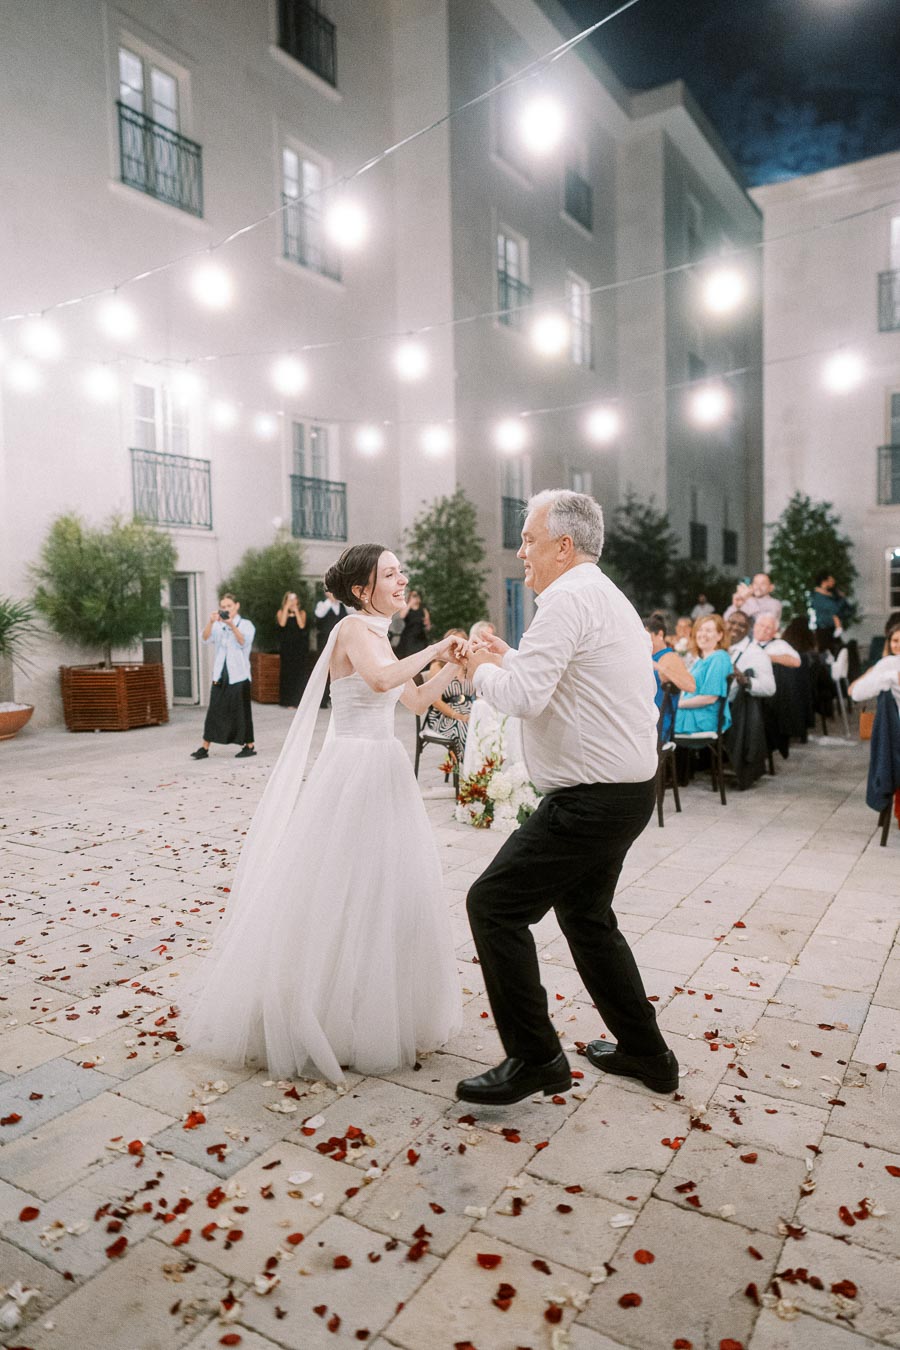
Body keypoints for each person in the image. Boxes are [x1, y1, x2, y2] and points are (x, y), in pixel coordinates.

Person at [185, 544, 465, 1082]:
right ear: (363, 589)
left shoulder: (379, 634)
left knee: (385, 888)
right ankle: (331, 1010)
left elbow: (411, 700)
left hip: (384, 767)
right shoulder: (355, 630)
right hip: (355, 769)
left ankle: (373, 1005)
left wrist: (454, 667)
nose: (402, 578)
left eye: (401, 570)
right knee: (344, 885)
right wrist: (434, 648)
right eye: (390, 573)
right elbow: (382, 682)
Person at [454, 489, 677, 1107]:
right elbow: (559, 678)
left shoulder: (566, 599)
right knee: (586, 917)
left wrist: (477, 670)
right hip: (625, 790)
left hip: (591, 799)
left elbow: (525, 697)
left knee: (494, 905)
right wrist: (508, 656)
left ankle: (535, 1058)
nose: (520, 550)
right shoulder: (601, 596)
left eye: (527, 539)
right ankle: (649, 1055)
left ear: (563, 545)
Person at [191, 593, 256, 760]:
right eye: (223, 607)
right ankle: (204, 747)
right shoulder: (218, 625)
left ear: (237, 606)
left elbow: (243, 642)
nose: (226, 609)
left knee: (241, 712)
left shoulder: (246, 625)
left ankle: (249, 745)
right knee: (214, 710)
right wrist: (211, 622)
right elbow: (204, 638)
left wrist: (232, 626)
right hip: (220, 673)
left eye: (229, 606)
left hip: (239, 674)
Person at [674, 614, 733, 736]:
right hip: (691, 712)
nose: (703, 634)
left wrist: (677, 704)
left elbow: (710, 698)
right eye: (700, 630)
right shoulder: (700, 661)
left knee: (656, 718)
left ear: (720, 635)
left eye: (709, 630)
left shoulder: (719, 658)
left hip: (702, 718)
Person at [643, 611, 696, 741]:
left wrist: (660, 668)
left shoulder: (669, 657)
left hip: (655, 727)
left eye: (644, 636)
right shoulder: (645, 657)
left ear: (659, 634)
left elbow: (691, 686)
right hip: (643, 721)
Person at [422, 627, 475, 756]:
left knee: (487, 725)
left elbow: (480, 693)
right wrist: (457, 715)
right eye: (455, 644)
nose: (458, 647)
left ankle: (487, 768)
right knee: (464, 727)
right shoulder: (437, 666)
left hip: (470, 709)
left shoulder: (470, 664)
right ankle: (467, 769)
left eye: (462, 643)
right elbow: (435, 701)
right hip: (445, 714)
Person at [849, 620, 900, 710]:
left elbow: (854, 693)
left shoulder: (887, 663)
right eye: (895, 641)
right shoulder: (888, 663)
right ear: (889, 643)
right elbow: (855, 693)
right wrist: (891, 676)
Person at [726, 610, 776, 700]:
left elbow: (770, 688)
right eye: (732, 622)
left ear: (748, 629)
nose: (735, 627)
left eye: (741, 625)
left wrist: (744, 680)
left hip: (731, 709)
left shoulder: (757, 653)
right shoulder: (714, 645)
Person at [315, 589, 348, 708]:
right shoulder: (322, 605)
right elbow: (319, 614)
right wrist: (330, 601)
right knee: (325, 669)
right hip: (325, 641)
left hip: (340, 642)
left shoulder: (342, 606)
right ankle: (322, 699)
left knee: (340, 668)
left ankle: (339, 699)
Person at [276, 591, 309, 708]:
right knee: (287, 672)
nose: (292, 601)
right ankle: (287, 700)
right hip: (286, 647)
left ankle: (297, 701)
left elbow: (301, 625)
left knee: (298, 673)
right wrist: (286, 607)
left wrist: (295, 611)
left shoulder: (302, 613)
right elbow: (282, 623)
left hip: (299, 647)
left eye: (294, 599)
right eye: (290, 599)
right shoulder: (280, 612)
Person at [807, 571, 849, 639]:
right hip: (824, 630)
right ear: (824, 582)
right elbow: (835, 609)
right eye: (830, 580)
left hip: (830, 628)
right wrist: (842, 599)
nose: (833, 582)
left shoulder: (830, 594)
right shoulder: (818, 596)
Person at [395, 588, 431, 658]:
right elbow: (402, 616)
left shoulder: (423, 609)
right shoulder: (406, 608)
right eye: (413, 595)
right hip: (408, 637)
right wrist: (410, 604)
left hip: (420, 637)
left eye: (417, 595)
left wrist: (427, 624)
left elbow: (428, 626)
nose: (415, 597)